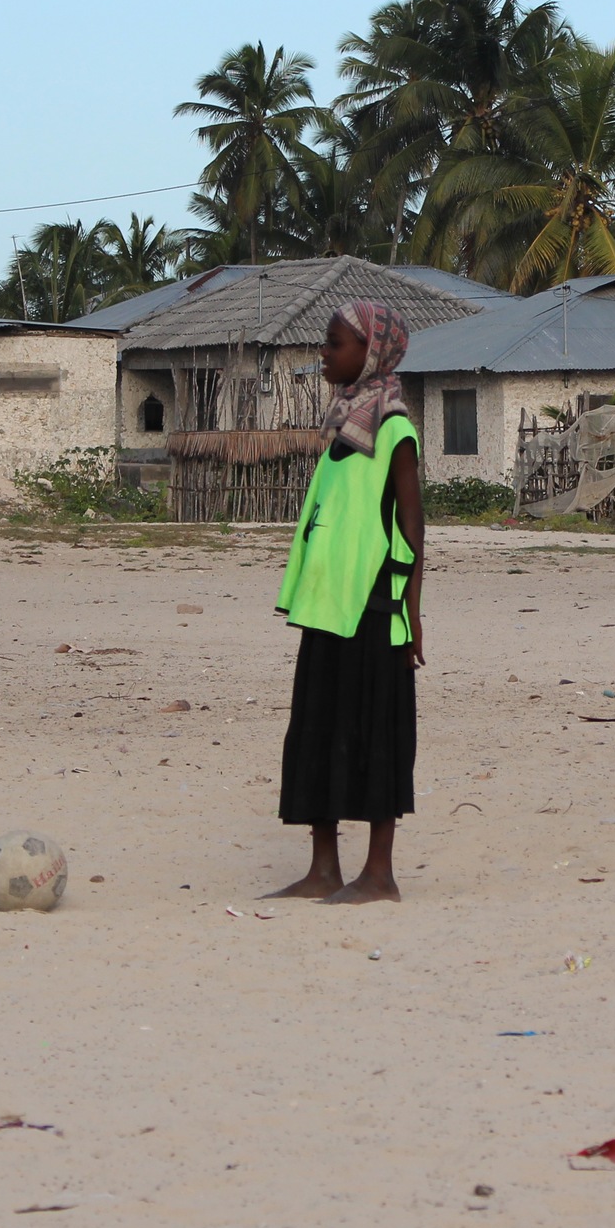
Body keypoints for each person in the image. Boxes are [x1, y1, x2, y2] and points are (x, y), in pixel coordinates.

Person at [266, 302, 426, 904]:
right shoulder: (342, 426)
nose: (325, 354)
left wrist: (412, 615)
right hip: (325, 608)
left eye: (334, 345)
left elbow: (412, 529)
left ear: (372, 352)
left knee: (376, 732)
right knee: (318, 730)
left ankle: (380, 874)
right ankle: (324, 868)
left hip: (373, 609)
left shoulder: (394, 430)